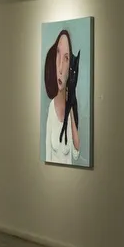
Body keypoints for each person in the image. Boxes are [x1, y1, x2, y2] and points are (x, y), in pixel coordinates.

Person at [43, 30, 81, 164]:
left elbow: (76, 153)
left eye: (66, 59)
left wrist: (70, 108)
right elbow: (47, 155)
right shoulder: (51, 108)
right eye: (58, 54)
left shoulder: (71, 112)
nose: (60, 68)